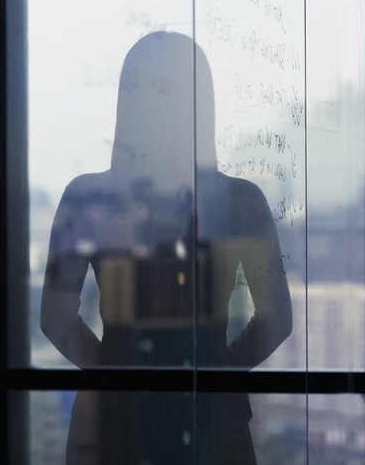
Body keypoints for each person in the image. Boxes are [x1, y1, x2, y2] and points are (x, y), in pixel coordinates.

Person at [41, 31, 292, 464]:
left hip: (115, 420)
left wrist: (114, 373)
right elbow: (277, 320)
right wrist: (216, 374)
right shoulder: (241, 201)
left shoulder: (89, 197)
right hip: (211, 417)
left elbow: (54, 318)